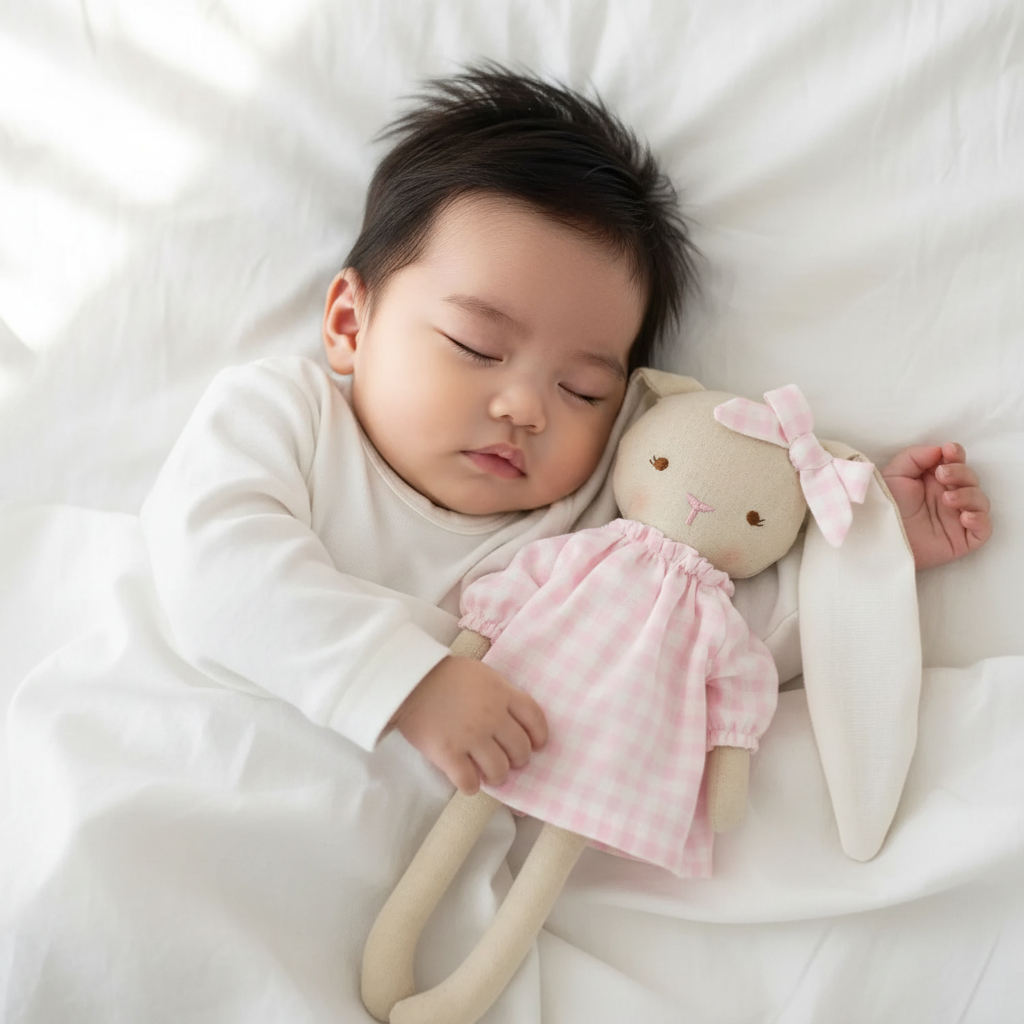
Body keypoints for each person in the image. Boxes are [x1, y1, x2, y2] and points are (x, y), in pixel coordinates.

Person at [139, 64, 992, 801]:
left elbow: (712, 641)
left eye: (583, 390)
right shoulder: (285, 416)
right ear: (349, 322)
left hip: (378, 875)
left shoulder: (588, 523)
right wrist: (408, 686)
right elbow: (214, 563)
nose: (526, 408)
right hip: (181, 756)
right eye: (477, 346)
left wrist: (874, 550)